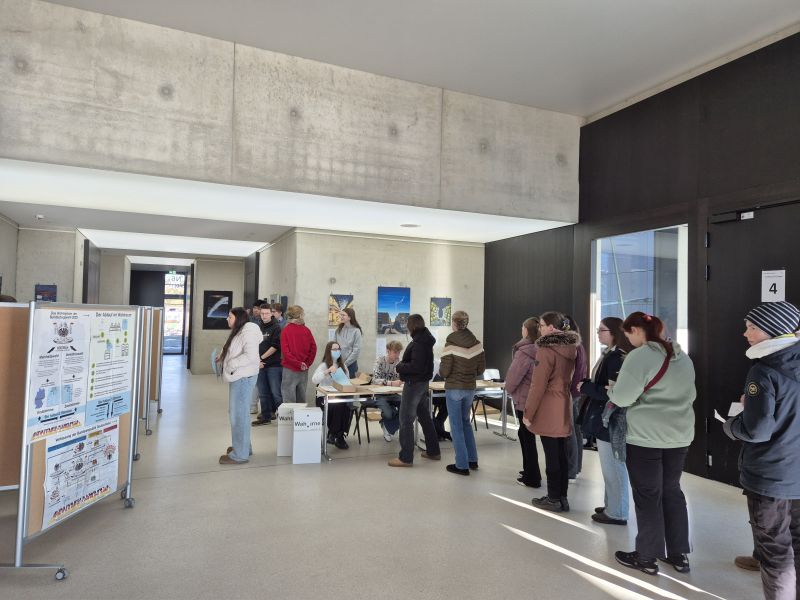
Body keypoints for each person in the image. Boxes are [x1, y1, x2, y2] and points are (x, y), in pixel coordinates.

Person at [609, 312, 696, 576]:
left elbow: (623, 398)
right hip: (679, 435)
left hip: (646, 436)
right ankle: (678, 554)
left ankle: (646, 557)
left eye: (628, 334)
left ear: (637, 330)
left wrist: (611, 391)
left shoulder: (640, 356)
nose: (627, 339)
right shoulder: (683, 357)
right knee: (672, 491)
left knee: (648, 495)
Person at [723, 301, 800, 599]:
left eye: (752, 327)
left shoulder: (763, 371)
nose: (745, 333)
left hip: (771, 476)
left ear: (774, 329)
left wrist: (732, 425)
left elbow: (757, 430)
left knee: (775, 551)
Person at [577, 317, 633, 525]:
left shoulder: (616, 358)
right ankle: (612, 505)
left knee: (614, 467)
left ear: (614, 333)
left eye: (602, 330)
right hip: (605, 417)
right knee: (608, 466)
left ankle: (618, 511)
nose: (598, 333)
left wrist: (585, 387)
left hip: (612, 418)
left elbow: (613, 392)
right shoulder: (610, 355)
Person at [523, 311, 580, 513]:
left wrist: (528, 413)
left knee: (551, 456)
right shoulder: (572, 349)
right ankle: (561, 497)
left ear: (551, 328)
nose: (539, 328)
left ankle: (553, 498)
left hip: (548, 405)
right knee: (561, 454)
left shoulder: (546, 350)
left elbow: (537, 386)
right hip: (564, 402)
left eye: (541, 325)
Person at [388, 314, 440, 467]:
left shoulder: (418, 343)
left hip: (414, 384)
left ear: (412, 326)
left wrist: (399, 366)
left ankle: (405, 457)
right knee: (424, 417)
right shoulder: (425, 340)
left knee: (405, 420)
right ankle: (433, 451)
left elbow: (416, 367)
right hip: (422, 384)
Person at [439, 310, 485, 476]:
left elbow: (444, 372)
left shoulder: (450, 345)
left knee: (456, 426)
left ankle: (461, 465)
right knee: (466, 423)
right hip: (470, 388)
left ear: (454, 324)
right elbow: (481, 369)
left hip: (454, 388)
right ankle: (473, 460)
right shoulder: (477, 344)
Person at [217, 307, 263, 465]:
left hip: (243, 377)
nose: (227, 319)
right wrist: (223, 356)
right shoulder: (241, 330)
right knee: (239, 413)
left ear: (239, 318)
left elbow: (251, 356)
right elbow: (237, 350)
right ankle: (244, 447)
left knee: (238, 415)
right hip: (240, 376)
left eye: (230, 316)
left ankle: (240, 454)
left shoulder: (248, 332)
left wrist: (230, 364)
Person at [505, 317, 542, 488]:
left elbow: (513, 377)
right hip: (536, 398)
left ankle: (532, 476)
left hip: (523, 399)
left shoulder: (524, 351)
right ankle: (529, 470)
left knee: (526, 437)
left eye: (522, 327)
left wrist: (508, 389)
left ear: (526, 331)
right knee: (527, 435)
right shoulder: (541, 349)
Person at [312, 341, 352, 450]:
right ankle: (336, 435)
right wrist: (327, 371)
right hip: (323, 397)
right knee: (338, 406)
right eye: (334, 349)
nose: (337, 351)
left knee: (346, 407)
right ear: (328, 351)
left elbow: (347, 381)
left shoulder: (342, 366)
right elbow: (314, 379)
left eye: (338, 349)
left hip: (338, 395)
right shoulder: (323, 365)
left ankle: (336, 435)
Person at [564, 315, 588, 479]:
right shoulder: (579, 344)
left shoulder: (571, 345)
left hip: (570, 392)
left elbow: (570, 372)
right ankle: (576, 467)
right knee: (576, 431)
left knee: (570, 431)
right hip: (576, 392)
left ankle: (571, 470)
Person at [252, 301, 283, 426]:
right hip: (259, 365)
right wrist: (257, 360)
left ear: (272, 314)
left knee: (276, 393)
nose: (264, 316)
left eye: (267, 313)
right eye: (262, 313)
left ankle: (283, 418)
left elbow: (275, 346)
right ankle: (265, 416)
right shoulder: (258, 326)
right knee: (263, 392)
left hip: (274, 365)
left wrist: (261, 358)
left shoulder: (276, 327)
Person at [280, 305, 317, 404]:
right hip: (304, 369)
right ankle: (300, 419)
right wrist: (306, 363)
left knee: (288, 398)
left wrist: (297, 363)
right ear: (300, 315)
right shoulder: (306, 330)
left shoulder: (285, 330)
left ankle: (290, 419)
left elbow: (285, 352)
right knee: (301, 396)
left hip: (289, 368)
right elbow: (313, 348)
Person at [372, 340, 404, 442]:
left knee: (407, 408)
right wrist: (391, 383)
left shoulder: (399, 363)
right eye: (395, 352)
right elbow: (375, 379)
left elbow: (403, 378)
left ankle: (387, 425)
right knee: (389, 413)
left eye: (399, 352)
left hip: (394, 394)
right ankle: (388, 423)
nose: (397, 355)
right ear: (388, 351)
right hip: (380, 395)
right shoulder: (380, 361)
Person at [336, 307, 363, 378]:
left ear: (350, 317)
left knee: (349, 388)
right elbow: (333, 346)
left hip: (351, 365)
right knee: (338, 387)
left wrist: (345, 364)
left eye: (343, 315)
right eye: (341, 315)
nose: (341, 317)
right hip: (338, 363)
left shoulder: (356, 331)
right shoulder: (338, 330)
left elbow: (356, 351)